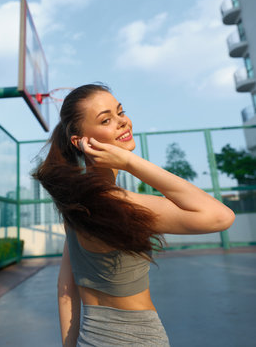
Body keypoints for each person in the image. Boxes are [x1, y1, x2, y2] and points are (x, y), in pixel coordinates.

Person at [33, 84, 235, 346]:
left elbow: (65, 289)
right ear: (80, 141)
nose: (122, 122)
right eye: (106, 120)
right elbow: (221, 216)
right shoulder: (118, 204)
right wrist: (129, 162)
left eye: (120, 112)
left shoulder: (77, 202)